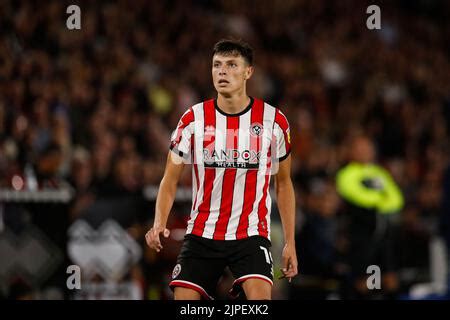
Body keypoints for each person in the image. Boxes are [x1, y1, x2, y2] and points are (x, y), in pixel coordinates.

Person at [145, 39, 298, 300]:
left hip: (250, 234)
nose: (222, 72)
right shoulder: (193, 119)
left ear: (248, 72)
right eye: (217, 65)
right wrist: (159, 222)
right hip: (202, 233)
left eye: (231, 65)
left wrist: (290, 242)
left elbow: (283, 183)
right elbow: (169, 180)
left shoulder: (274, 122)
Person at [336, 135, 404, 299]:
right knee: (363, 282)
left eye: (368, 148)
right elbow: (357, 196)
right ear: (352, 152)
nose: (365, 152)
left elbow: (397, 199)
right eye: (360, 148)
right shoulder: (346, 173)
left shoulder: (379, 173)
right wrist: (381, 200)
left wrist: (380, 202)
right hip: (361, 235)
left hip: (385, 235)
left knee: (390, 279)